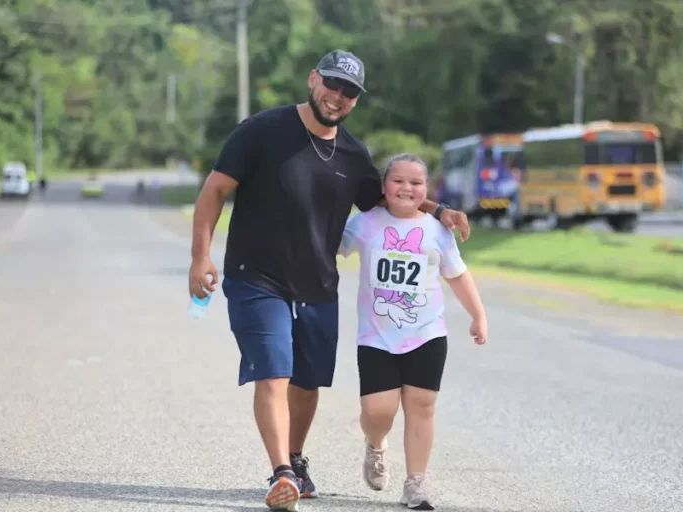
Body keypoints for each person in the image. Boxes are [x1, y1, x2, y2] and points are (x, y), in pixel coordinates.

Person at [187, 50, 471, 512]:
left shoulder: (355, 156)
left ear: (356, 100)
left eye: (349, 92)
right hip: (255, 277)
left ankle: (295, 460)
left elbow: (392, 203)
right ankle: (281, 473)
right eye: (332, 84)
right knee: (274, 370)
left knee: (306, 382)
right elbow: (214, 190)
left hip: (318, 283)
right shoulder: (261, 131)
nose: (336, 97)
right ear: (313, 78)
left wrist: (438, 210)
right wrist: (200, 257)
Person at [338, 153, 487, 510]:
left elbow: (458, 275)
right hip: (376, 337)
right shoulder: (364, 224)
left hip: (427, 335)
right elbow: (327, 248)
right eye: (398, 181)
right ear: (384, 187)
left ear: (427, 189)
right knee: (378, 412)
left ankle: (416, 483)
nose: (407, 188)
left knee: (422, 406)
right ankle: (376, 446)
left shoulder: (438, 230)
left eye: (416, 182)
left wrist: (478, 315)